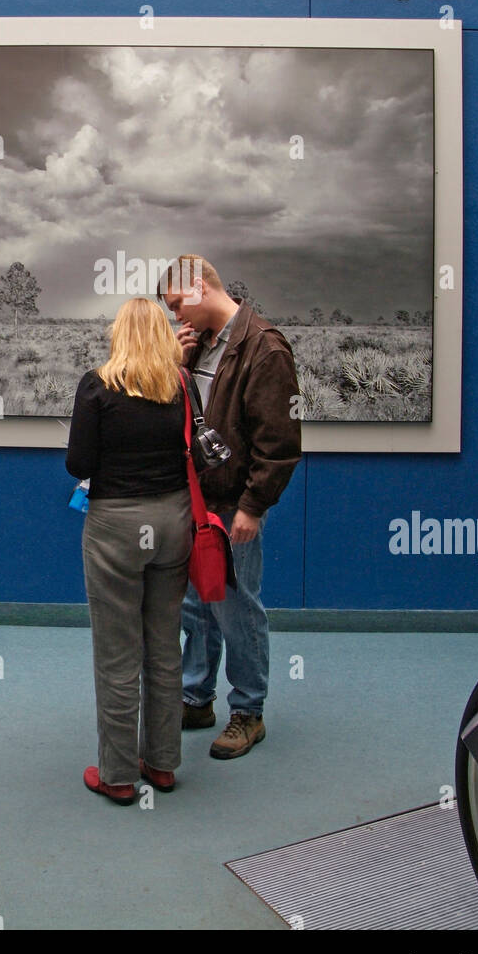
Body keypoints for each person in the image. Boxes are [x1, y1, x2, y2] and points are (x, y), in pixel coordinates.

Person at [158, 255, 301, 760]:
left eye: (178, 305)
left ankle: (248, 712)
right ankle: (196, 698)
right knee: (198, 603)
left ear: (198, 288)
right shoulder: (200, 347)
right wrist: (175, 364)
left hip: (234, 503)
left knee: (237, 605)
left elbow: (279, 441)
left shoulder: (263, 346)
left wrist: (253, 506)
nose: (179, 318)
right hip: (198, 498)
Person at [66, 297, 192, 804]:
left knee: (118, 652)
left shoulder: (97, 386)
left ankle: (117, 775)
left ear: (119, 333)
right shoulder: (180, 386)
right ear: (161, 334)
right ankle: (162, 765)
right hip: (173, 521)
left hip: (116, 525)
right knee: (164, 646)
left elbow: (79, 462)